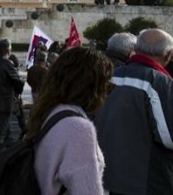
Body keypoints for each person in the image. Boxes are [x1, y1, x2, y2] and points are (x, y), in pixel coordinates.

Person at [95, 29, 173, 195]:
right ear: (168, 55)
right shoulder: (160, 83)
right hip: (147, 182)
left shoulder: (109, 77)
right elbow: (169, 137)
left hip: (107, 177)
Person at [27, 47, 113, 195]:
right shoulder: (78, 128)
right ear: (92, 86)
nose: (107, 90)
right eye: (106, 84)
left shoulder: (49, 111)